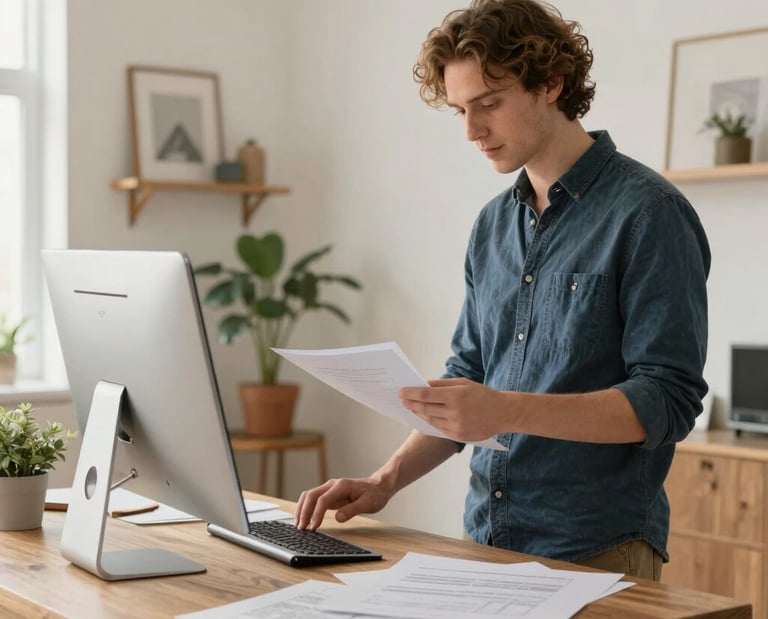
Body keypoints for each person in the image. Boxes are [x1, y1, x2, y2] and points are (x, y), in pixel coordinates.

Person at [294, 0, 710, 581]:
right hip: (485, 539)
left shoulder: (649, 214)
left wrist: (504, 409)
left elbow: (666, 400)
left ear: (552, 84)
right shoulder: (493, 225)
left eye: (489, 104)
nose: (471, 130)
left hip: (596, 548)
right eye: (461, 109)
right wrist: (383, 481)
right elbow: (467, 379)